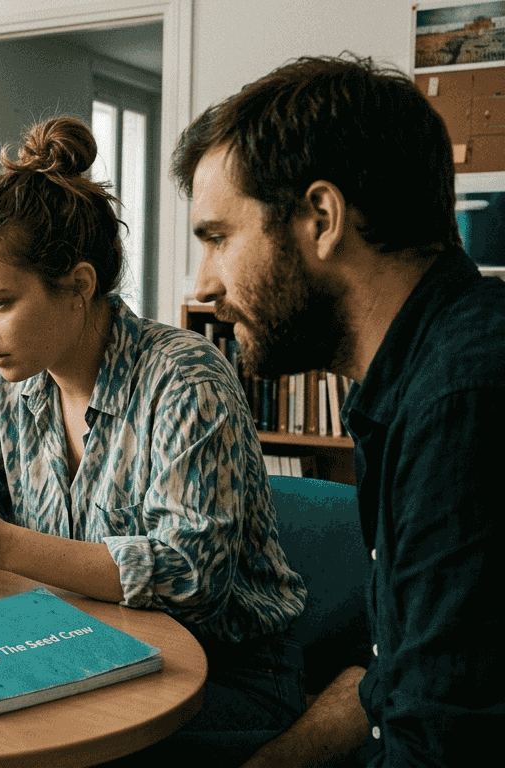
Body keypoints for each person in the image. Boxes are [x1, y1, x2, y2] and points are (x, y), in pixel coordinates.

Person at [0, 116, 307, 761]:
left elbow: (190, 578)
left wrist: (1, 544)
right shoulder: (8, 390)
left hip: (220, 668)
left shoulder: (186, 379)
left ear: (77, 286)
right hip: (74, 646)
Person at [172, 54, 505, 767]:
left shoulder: (464, 401)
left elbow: (444, 746)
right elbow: (395, 676)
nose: (203, 287)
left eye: (218, 238)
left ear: (321, 219)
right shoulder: (413, 380)